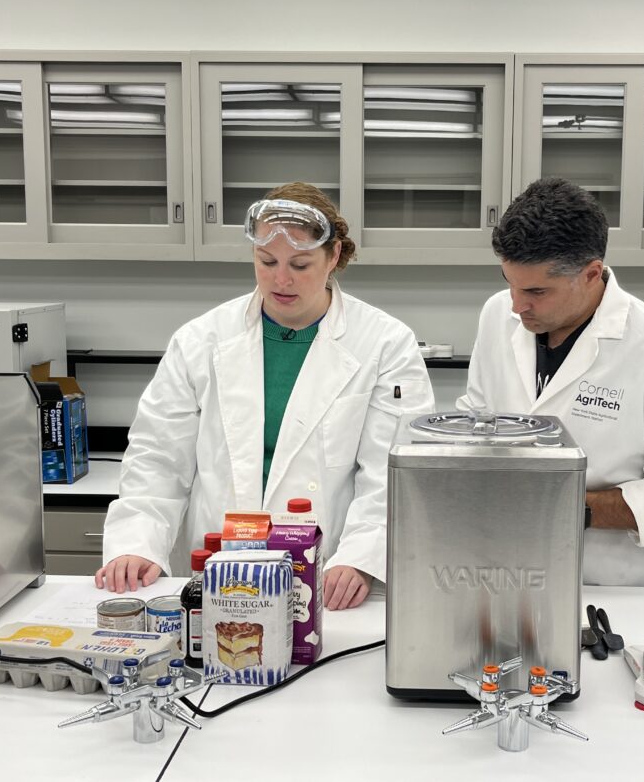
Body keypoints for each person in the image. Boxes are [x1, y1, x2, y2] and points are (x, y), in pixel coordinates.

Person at [96, 182, 435, 609]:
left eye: (300, 263)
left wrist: (361, 556)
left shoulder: (385, 343)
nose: (281, 279)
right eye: (266, 261)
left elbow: (392, 474)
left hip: (330, 577)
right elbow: (157, 457)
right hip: (220, 568)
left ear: (333, 258)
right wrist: (137, 543)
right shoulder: (202, 339)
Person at [460, 178, 644, 587]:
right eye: (509, 283)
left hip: (612, 585)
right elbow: (479, 416)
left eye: (537, 291)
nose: (517, 305)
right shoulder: (497, 314)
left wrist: (568, 508)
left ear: (592, 273)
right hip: (506, 569)